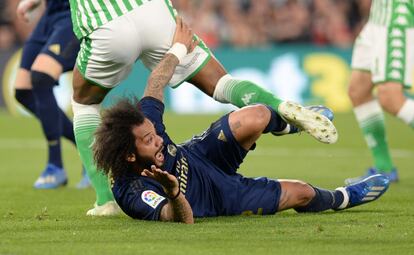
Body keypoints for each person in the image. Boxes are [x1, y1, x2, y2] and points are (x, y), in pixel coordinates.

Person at [69, 0, 338, 216]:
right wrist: (177, 49)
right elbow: (154, 87)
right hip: (152, 11)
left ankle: (106, 201)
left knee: (84, 103)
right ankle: (281, 108)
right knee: (222, 83)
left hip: (105, 21)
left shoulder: (136, 185)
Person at [91, 38, 389, 223]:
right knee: (301, 192)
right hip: (220, 199)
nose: (156, 138)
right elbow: (182, 219)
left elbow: (155, 83)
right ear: (130, 156)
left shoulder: (146, 127)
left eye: (153, 132)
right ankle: (344, 197)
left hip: (201, 156)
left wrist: (178, 48)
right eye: (148, 140)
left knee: (255, 115)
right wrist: (172, 192)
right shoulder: (133, 193)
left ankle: (294, 123)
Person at [14, 0, 90, 189]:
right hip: (49, 15)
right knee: (23, 91)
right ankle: (89, 151)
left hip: (74, 14)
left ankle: (55, 166)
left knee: (41, 77)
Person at [346, 0, 414, 184]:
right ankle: (384, 168)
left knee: (390, 98)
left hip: (397, 12)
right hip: (379, 15)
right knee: (358, 90)